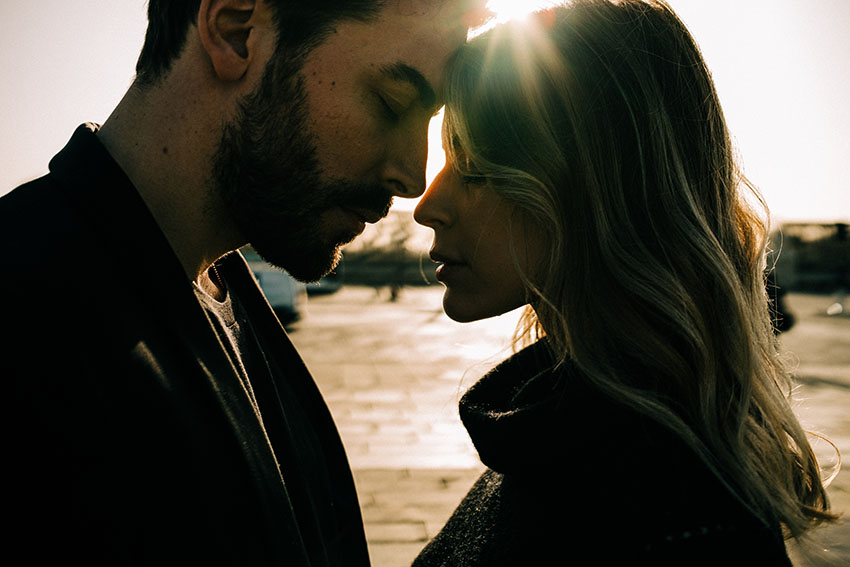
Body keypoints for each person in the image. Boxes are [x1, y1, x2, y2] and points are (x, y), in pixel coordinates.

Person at [1, 0, 482, 564]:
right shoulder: (25, 318)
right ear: (234, 32)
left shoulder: (222, 291)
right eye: (391, 102)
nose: (412, 174)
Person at [412, 1, 837, 564]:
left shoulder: (673, 511)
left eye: (476, 167)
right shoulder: (579, 435)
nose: (426, 206)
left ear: (598, 187)